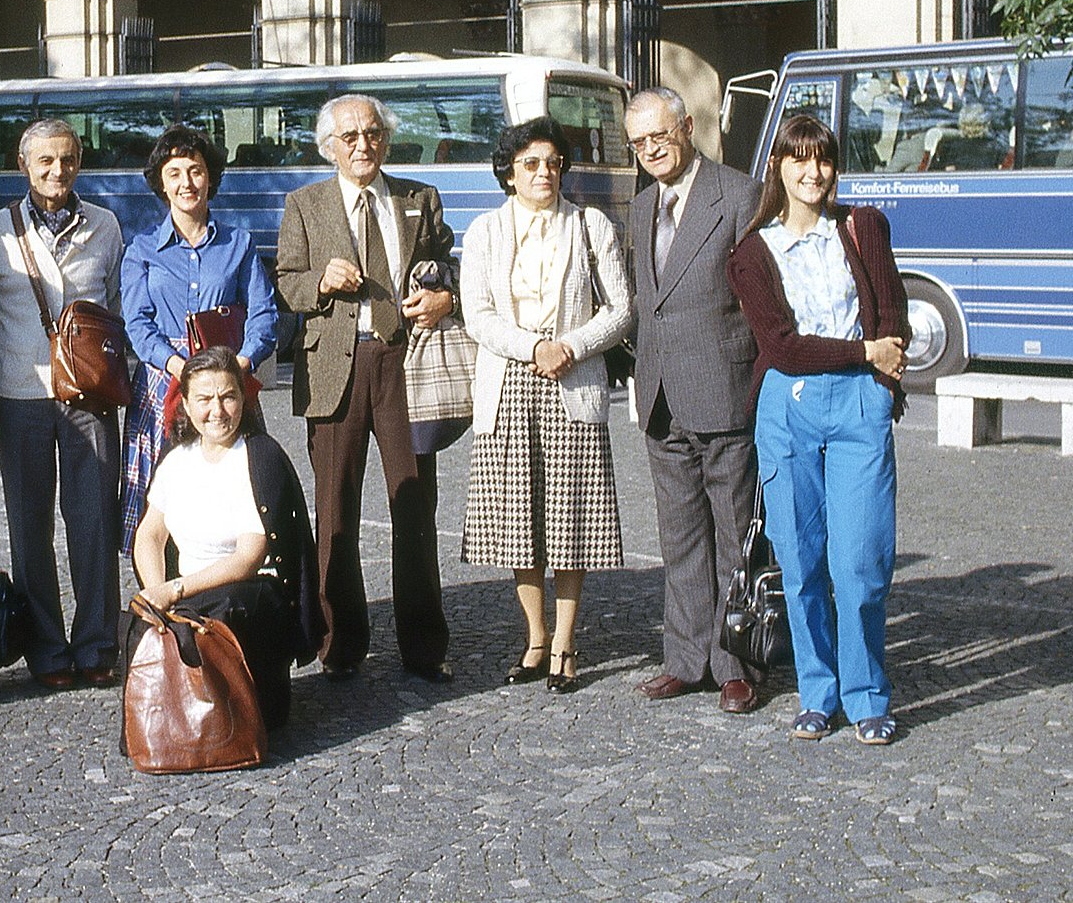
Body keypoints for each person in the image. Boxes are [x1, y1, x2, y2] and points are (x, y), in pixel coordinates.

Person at [725, 113, 910, 746]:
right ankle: (817, 690)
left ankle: (866, 695)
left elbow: (892, 315)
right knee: (801, 563)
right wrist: (866, 353)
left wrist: (882, 380)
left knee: (860, 563)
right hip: (789, 407)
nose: (814, 172)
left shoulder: (862, 229)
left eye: (825, 159)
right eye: (800, 159)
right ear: (777, 166)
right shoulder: (752, 253)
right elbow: (781, 346)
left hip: (860, 407)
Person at [274, 94, 456, 683]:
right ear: (329, 146)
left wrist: (440, 296)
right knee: (335, 511)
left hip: (406, 364)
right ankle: (341, 644)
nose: (363, 146)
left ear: (386, 138)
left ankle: (424, 646)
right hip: (335, 369)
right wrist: (320, 283)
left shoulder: (417, 199)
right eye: (349, 137)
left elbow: (444, 264)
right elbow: (286, 282)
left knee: (414, 505)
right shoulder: (304, 204)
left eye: (372, 134)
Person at [459, 116, 631, 692]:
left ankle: (565, 641)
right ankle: (533, 638)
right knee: (517, 522)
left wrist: (570, 346)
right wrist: (533, 347)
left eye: (554, 163)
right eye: (531, 163)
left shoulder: (590, 225)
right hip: (508, 386)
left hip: (572, 387)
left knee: (572, 519)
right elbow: (477, 314)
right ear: (509, 172)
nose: (544, 173)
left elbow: (620, 308)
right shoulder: (484, 231)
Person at [623, 86, 765, 715]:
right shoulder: (640, 206)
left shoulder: (739, 195)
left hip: (723, 390)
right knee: (679, 538)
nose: (650, 149)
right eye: (638, 142)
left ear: (687, 126)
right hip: (660, 396)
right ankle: (685, 659)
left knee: (736, 535)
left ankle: (736, 662)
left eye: (659, 135)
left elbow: (763, 305)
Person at [0, 118, 125, 691]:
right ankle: (46, 649)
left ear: (79, 162)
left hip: (90, 396)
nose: (57, 171)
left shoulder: (106, 227)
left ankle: (95, 644)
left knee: (93, 520)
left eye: (67, 160)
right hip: (20, 394)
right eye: (45, 161)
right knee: (28, 525)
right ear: (24, 166)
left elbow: (113, 310)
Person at [129, 348, 322, 728]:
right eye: (204, 399)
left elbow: (248, 557)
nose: (217, 411)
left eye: (228, 396)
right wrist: (157, 595)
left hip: (248, 592)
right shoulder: (177, 458)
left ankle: (230, 722)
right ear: (185, 403)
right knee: (138, 625)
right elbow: (150, 534)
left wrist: (176, 592)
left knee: (223, 610)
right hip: (185, 594)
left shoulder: (258, 457)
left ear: (243, 398)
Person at [118, 125, 277, 552]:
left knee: (234, 491)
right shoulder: (141, 250)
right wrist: (178, 367)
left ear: (211, 178)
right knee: (162, 495)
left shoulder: (239, 244)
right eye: (175, 173)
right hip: (164, 382)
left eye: (196, 171)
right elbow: (137, 323)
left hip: (227, 381)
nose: (186, 183)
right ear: (161, 183)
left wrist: (239, 365)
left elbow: (264, 314)